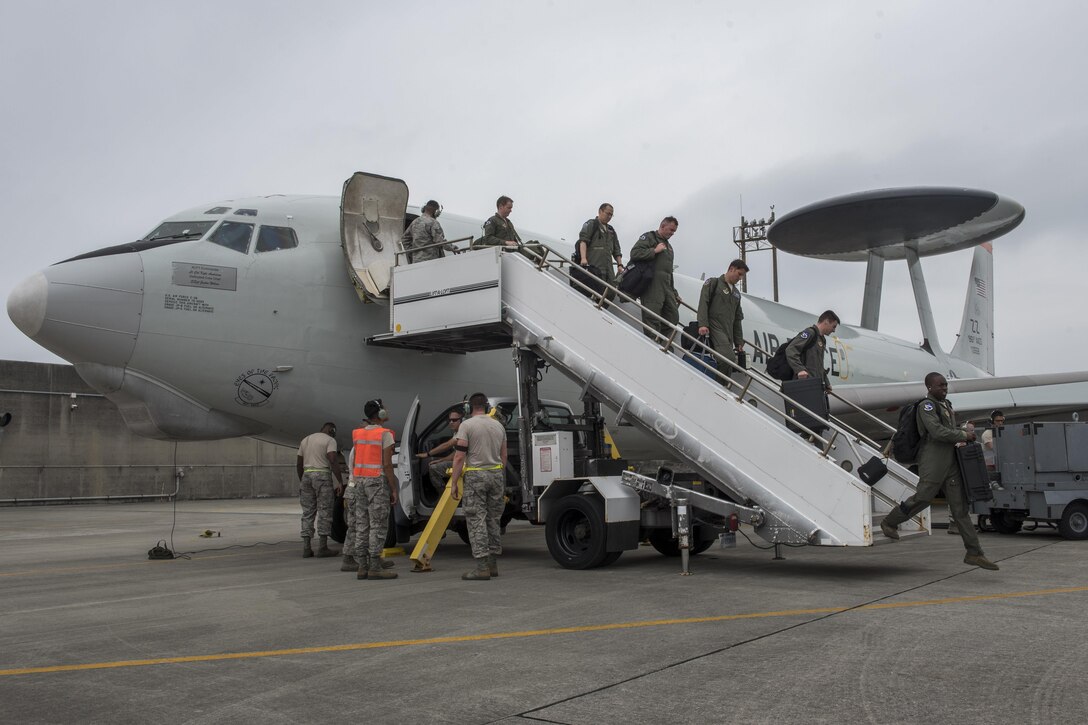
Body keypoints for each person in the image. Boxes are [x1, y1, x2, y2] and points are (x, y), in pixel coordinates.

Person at [880, 373, 1000, 570]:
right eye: (940, 385)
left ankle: (975, 553)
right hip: (933, 459)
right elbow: (936, 432)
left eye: (946, 385)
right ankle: (889, 522)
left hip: (950, 461)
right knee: (923, 497)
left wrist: (960, 437)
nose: (944, 388)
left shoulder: (946, 405)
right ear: (929, 387)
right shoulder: (926, 406)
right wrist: (963, 434)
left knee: (960, 509)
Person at [447, 392, 508, 581]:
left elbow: (459, 456)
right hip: (496, 474)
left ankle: (482, 567)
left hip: (475, 475)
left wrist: (455, 481)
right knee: (493, 519)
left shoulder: (467, 425)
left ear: (469, 408)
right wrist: (496, 474)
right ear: (487, 407)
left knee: (476, 520)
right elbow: (504, 455)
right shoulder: (499, 426)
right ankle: (492, 564)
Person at [351, 399, 400, 580]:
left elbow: (356, 459)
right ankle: (375, 567)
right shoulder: (385, 434)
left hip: (360, 481)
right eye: (384, 409)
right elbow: (387, 464)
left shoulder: (357, 433)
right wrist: (393, 488)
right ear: (380, 414)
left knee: (362, 525)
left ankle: (362, 567)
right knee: (378, 525)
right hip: (376, 481)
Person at [296, 422, 344, 558]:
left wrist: (302, 480)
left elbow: (299, 463)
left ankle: (306, 547)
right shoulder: (330, 440)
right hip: (322, 476)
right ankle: (322, 547)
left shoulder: (306, 440)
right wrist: (340, 481)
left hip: (306, 475)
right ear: (332, 430)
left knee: (308, 512)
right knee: (325, 511)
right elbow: (333, 460)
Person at [629, 216, 681, 339]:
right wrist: (654, 251)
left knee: (673, 317)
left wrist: (674, 292)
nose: (672, 233)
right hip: (652, 285)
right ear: (663, 226)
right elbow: (634, 253)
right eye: (671, 230)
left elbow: (669, 272)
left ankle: (661, 340)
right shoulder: (649, 237)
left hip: (666, 287)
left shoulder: (669, 247)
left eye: (674, 231)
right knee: (652, 316)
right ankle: (653, 342)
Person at [696, 258, 749, 375]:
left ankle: (723, 387)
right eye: (739, 274)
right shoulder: (714, 283)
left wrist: (738, 341)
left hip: (728, 331)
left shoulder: (736, 294)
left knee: (729, 365)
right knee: (728, 358)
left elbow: (737, 319)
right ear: (731, 269)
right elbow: (703, 303)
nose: (740, 278)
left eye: (742, 276)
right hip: (715, 327)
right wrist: (703, 324)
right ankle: (719, 385)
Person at [786, 310, 840, 391]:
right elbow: (791, 350)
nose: (834, 330)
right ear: (826, 321)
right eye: (833, 326)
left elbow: (819, 365)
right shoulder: (810, 333)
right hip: (804, 385)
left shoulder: (821, 340)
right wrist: (799, 369)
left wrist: (826, 383)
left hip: (814, 385)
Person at [415, 409, 464, 495]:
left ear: (462, 420)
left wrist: (427, 454)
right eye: (449, 420)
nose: (451, 422)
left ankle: (443, 495)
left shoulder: (463, 431)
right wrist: (443, 459)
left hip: (464, 464)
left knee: (434, 469)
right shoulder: (456, 432)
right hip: (461, 461)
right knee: (433, 462)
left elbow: (447, 445)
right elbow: (457, 452)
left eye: (454, 420)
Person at [576, 203, 624, 288]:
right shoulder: (591, 224)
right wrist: (583, 258)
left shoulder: (611, 230)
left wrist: (619, 265)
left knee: (610, 291)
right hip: (594, 267)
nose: (609, 217)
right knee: (595, 290)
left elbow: (617, 250)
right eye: (607, 213)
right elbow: (583, 241)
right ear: (600, 211)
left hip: (608, 270)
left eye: (611, 215)